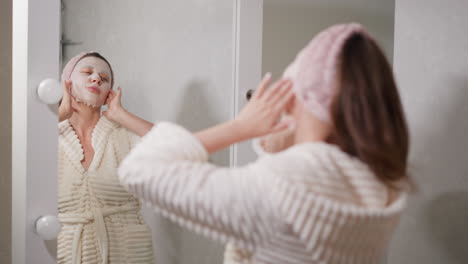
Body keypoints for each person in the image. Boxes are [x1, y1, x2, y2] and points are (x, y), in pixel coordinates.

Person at [118, 23, 410, 263]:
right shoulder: (378, 179)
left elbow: (140, 169)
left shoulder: (287, 184)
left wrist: (239, 127)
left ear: (296, 94)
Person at [57, 52, 154, 264]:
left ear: (108, 93)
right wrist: (57, 115)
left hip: (128, 252)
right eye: (87, 72)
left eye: (104, 77)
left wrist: (121, 115)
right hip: (68, 251)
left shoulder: (124, 135)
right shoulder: (50, 136)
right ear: (67, 83)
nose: (96, 78)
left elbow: (176, 147)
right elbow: (11, 155)